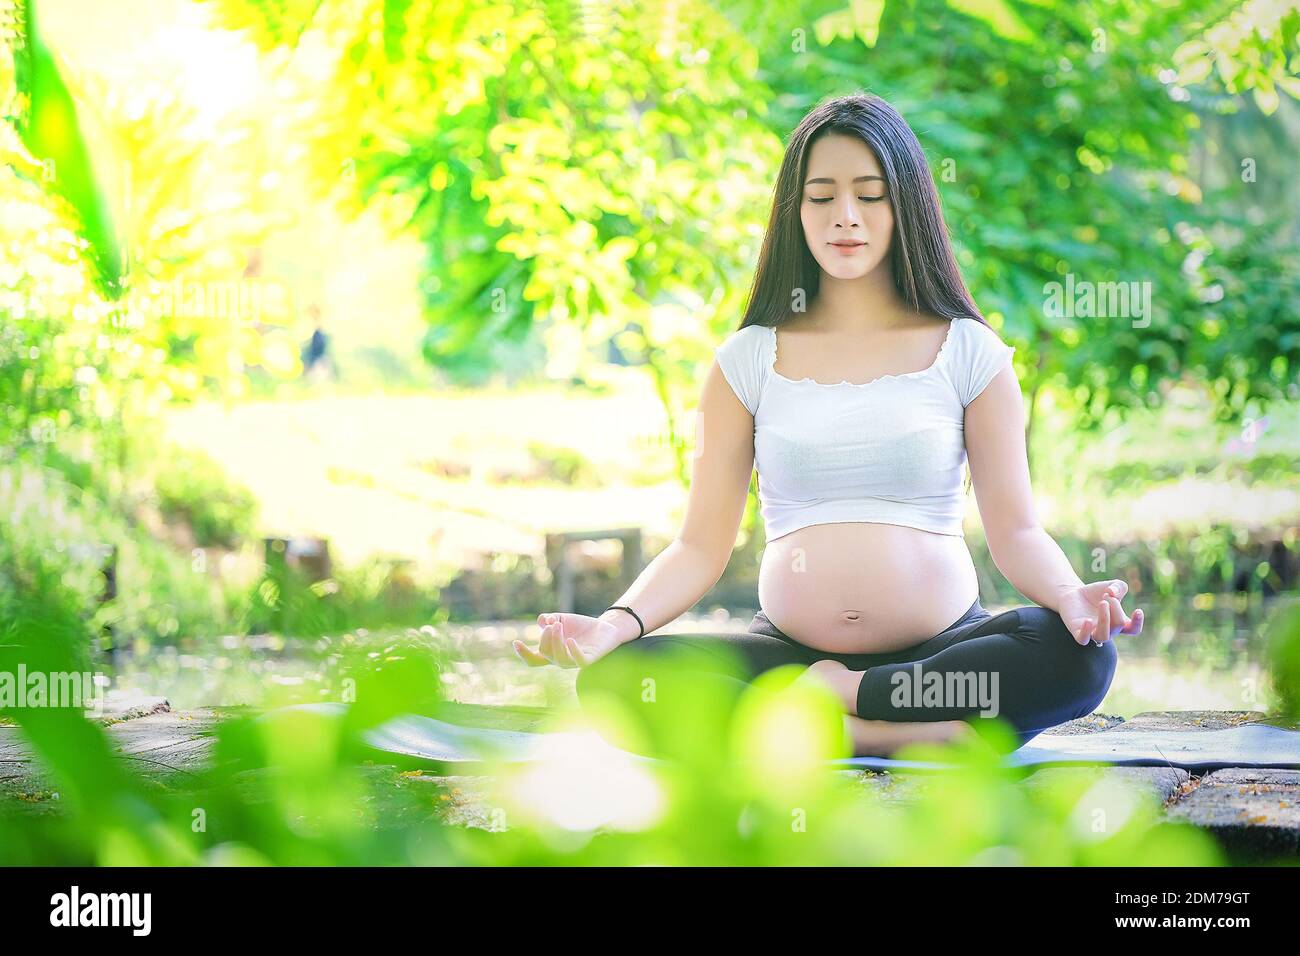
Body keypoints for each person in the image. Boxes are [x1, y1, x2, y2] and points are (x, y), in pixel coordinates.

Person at [513, 92, 1143, 758]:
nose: (846, 217)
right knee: (620, 680)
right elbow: (699, 546)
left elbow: (1017, 532)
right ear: (795, 209)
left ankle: (836, 704)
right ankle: (881, 731)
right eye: (822, 196)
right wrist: (614, 626)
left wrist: (1074, 597)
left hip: (938, 663)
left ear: (906, 206)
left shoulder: (968, 351)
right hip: (786, 660)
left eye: (870, 195)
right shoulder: (747, 358)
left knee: (1083, 658)